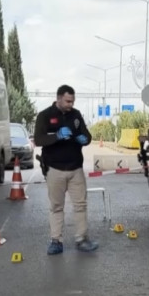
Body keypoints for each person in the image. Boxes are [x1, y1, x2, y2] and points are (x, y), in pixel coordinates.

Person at [33, 84, 99, 255]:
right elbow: (38, 140)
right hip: (55, 169)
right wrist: (56, 136)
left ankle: (82, 239)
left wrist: (85, 139)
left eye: (72, 101)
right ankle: (56, 241)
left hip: (75, 168)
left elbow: (87, 135)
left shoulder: (76, 115)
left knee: (80, 205)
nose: (71, 104)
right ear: (59, 98)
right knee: (56, 206)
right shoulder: (45, 116)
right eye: (68, 101)